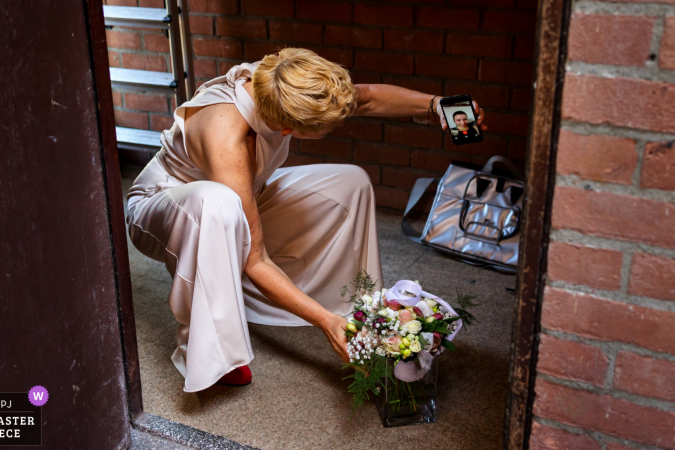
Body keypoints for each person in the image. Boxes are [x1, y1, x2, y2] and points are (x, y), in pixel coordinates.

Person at [125, 48, 486, 392]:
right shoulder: (228, 137)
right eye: (330, 128)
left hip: (243, 193)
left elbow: (370, 97)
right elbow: (255, 258)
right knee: (218, 203)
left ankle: (353, 306)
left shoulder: (290, 81)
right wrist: (324, 323)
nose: (342, 123)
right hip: (165, 206)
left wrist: (436, 105)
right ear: (287, 129)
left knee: (351, 181)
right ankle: (215, 348)